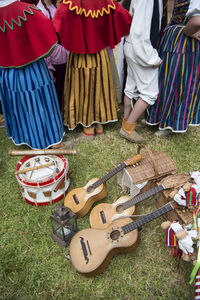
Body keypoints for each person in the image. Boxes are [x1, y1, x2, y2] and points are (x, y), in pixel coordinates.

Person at [53, 0, 132, 139]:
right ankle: (99, 125)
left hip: (79, 53)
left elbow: (57, 24)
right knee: (99, 86)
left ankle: (88, 127)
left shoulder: (70, 2)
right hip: (100, 54)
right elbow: (124, 17)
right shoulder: (106, 1)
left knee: (83, 87)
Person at [0, 0, 69, 149]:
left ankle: (28, 138)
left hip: (7, 73)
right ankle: (52, 141)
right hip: (32, 70)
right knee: (41, 103)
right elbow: (49, 42)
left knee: (19, 105)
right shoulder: (28, 11)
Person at [145, 0, 200, 135]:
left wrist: (187, 30)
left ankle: (171, 122)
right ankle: (158, 117)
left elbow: (197, 21)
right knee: (165, 80)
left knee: (177, 82)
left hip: (185, 40)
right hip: (173, 38)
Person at [120, 0, 163, 143]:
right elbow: (140, 30)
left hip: (132, 45)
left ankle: (126, 121)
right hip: (140, 48)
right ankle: (128, 128)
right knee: (150, 93)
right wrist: (151, 57)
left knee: (131, 86)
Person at [37, 0, 69, 113]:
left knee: (64, 90)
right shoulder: (40, 10)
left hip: (63, 56)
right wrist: (48, 66)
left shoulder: (53, 6)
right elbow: (42, 42)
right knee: (57, 93)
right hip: (54, 60)